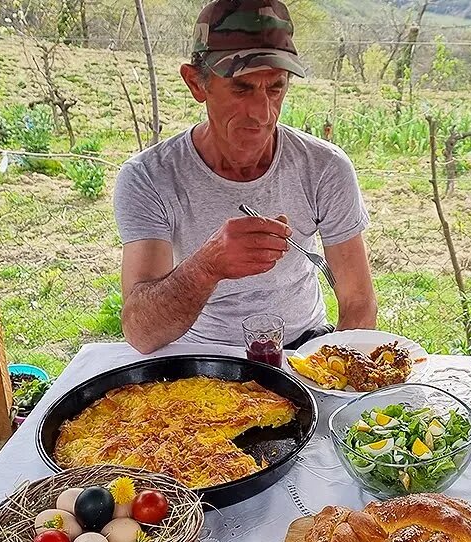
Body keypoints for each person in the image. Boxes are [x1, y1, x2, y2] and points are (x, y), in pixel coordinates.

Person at [114, 0, 378, 354]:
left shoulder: (325, 167)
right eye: (242, 88)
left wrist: (332, 371)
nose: (262, 113)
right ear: (196, 84)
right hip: (201, 359)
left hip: (304, 351)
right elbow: (141, 333)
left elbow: (359, 302)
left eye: (275, 88)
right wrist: (207, 265)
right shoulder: (149, 177)